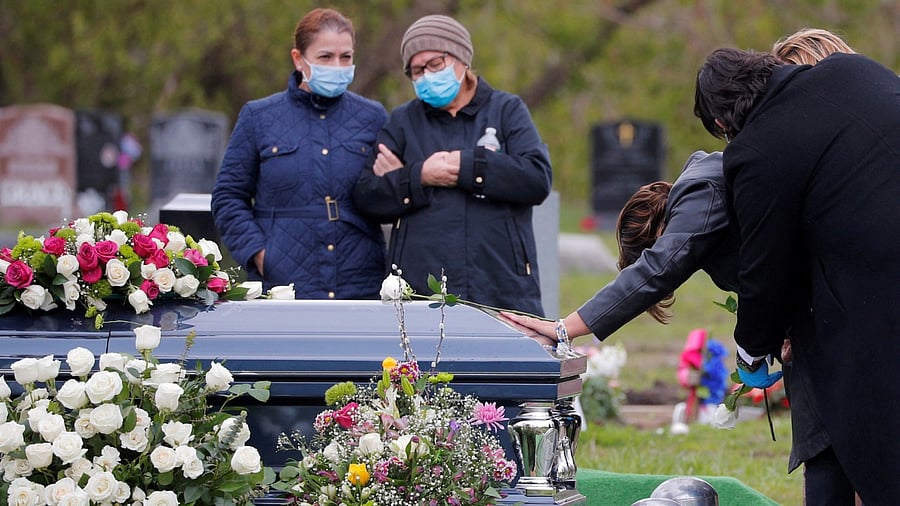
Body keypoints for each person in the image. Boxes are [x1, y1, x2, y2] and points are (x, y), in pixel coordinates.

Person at [694, 47, 900, 506]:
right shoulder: (852, 68)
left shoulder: (757, 150)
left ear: (725, 122)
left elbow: (766, 269)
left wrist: (751, 348)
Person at [352, 14, 552, 316]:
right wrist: (419, 175)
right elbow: (367, 194)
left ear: (462, 59)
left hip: (501, 286)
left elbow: (536, 179)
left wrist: (468, 167)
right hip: (421, 291)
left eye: (435, 64)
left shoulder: (507, 110)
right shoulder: (404, 121)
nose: (426, 76)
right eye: (416, 70)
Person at [211, 8, 388, 299]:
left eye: (346, 57)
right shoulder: (259, 117)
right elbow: (228, 197)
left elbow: (386, 195)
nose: (337, 66)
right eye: (325, 57)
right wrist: (260, 255)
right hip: (284, 287)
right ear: (298, 59)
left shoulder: (372, 116)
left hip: (361, 285)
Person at [501, 150, 739, 341]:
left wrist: (564, 328)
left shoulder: (701, 196)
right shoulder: (703, 195)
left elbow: (655, 271)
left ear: (658, 234)